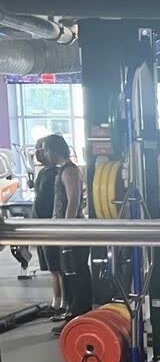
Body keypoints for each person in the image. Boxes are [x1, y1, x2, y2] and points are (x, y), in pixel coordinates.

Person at [42, 133, 92, 328]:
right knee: (70, 274)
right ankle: (73, 317)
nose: (44, 154)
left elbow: (73, 202)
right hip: (65, 232)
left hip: (73, 232)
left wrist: (67, 229)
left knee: (77, 274)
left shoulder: (70, 171)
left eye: (46, 150)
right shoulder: (62, 170)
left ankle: (79, 317)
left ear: (53, 150)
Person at [32, 136, 65, 316]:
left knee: (58, 267)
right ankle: (56, 302)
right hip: (41, 226)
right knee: (52, 268)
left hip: (51, 226)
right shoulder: (43, 173)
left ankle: (64, 303)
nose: (40, 153)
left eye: (42, 149)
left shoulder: (57, 174)